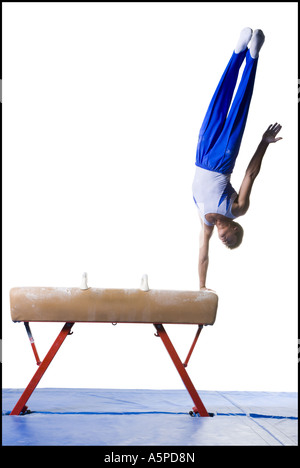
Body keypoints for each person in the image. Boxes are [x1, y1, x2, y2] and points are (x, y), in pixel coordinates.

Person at [192, 28, 282, 291]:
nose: (225, 242)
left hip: (201, 155)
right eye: (231, 240)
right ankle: (249, 54)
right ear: (234, 227)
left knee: (217, 105)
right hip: (222, 159)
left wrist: (201, 286)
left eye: (225, 244)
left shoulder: (206, 223)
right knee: (237, 108)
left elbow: (202, 254)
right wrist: (263, 144)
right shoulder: (237, 209)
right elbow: (250, 175)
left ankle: (238, 53)